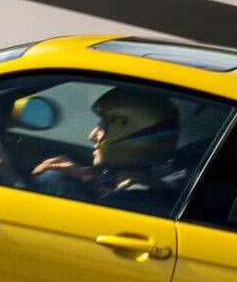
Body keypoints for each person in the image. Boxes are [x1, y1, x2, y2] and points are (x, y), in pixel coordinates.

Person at [26, 88, 190, 214]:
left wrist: (10, 177)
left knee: (51, 178)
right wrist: (86, 176)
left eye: (103, 127)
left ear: (131, 132)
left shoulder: (120, 205)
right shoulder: (162, 190)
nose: (92, 136)